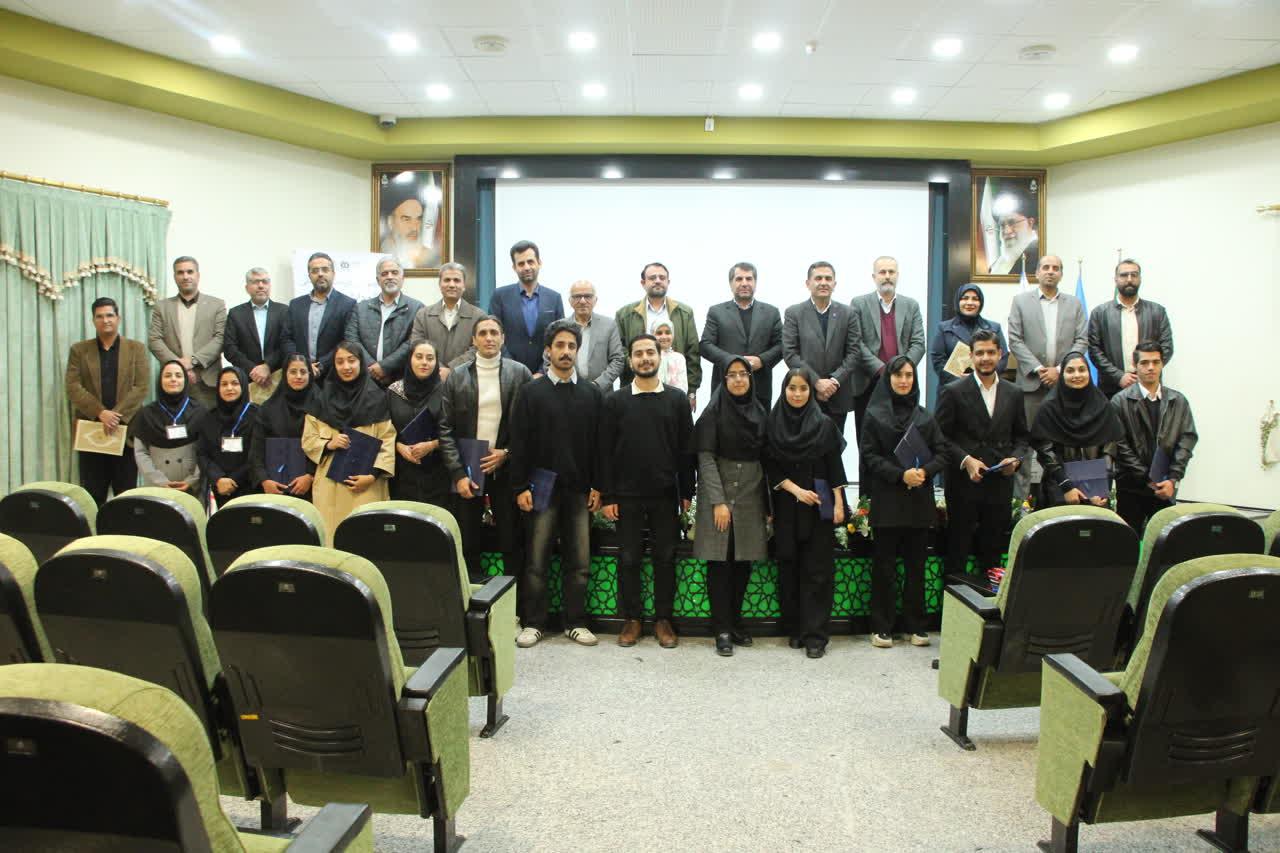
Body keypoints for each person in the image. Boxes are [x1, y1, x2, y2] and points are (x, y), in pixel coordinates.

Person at [509, 320, 603, 648]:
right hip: (540, 490)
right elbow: (519, 443)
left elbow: (599, 445)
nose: (566, 352)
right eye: (559, 346)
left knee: (580, 562)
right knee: (536, 561)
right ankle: (534, 623)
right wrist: (519, 487)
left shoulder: (591, 394)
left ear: (577, 351)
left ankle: (575, 622)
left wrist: (598, 486)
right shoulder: (530, 393)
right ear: (548, 351)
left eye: (571, 346)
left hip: (579, 490)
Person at [599, 333, 695, 649]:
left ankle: (663, 620)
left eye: (650, 352)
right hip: (626, 496)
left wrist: (687, 492)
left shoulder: (677, 400)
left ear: (659, 357)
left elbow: (686, 450)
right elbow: (605, 452)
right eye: (638, 354)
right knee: (629, 558)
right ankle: (633, 619)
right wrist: (608, 496)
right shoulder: (615, 401)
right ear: (630, 361)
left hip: (665, 494)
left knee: (665, 557)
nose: (645, 358)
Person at [859, 357, 949, 648]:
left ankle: (916, 626)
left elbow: (942, 453)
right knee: (884, 568)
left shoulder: (925, 417)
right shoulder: (874, 415)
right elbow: (869, 456)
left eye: (909, 375)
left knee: (916, 568)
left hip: (918, 503)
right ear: (889, 379)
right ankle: (881, 626)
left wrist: (924, 472)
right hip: (887, 501)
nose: (904, 380)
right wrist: (901, 475)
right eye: (898, 375)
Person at [438, 315, 532, 584]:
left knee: (511, 540)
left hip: (507, 468)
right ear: (474, 340)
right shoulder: (457, 375)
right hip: (469, 468)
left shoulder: (520, 373)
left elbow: (530, 427)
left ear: (503, 338)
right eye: (483, 333)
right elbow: (445, 429)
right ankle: (475, 599)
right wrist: (458, 473)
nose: (489, 338)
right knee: (468, 540)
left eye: (494, 333)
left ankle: (513, 602)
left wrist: (508, 453)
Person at [764, 367, 847, 658]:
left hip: (820, 501)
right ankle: (796, 628)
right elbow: (770, 467)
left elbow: (835, 466)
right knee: (789, 566)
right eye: (792, 388)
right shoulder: (772, 424)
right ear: (784, 390)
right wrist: (796, 491)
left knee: (818, 570)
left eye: (803, 388)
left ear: (811, 392)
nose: (797, 394)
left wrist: (839, 503)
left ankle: (816, 636)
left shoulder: (824, 424)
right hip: (787, 503)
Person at [934, 329, 1029, 580]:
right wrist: (966, 460)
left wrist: (1015, 460)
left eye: (990, 352)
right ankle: (954, 603)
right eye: (979, 353)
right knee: (957, 552)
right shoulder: (953, 391)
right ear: (971, 356)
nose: (985, 358)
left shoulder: (1014, 393)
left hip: (999, 485)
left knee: (993, 555)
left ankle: (990, 604)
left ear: (1000, 354)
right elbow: (940, 437)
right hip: (963, 485)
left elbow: (1022, 438)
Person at [693, 356, 769, 657]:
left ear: (751, 379)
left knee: (743, 561)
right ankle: (721, 629)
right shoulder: (712, 413)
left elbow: (767, 458)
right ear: (723, 380)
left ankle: (735, 622)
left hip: (751, 492)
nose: (738, 379)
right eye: (732, 375)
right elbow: (705, 458)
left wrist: (768, 505)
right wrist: (718, 502)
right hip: (720, 490)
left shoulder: (760, 412)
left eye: (743, 374)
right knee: (720, 562)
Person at [1006, 254, 1088, 502]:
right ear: (1037, 273)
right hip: (1030, 387)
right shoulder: (1021, 301)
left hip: (1064, 387)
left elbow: (1082, 340)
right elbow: (1015, 339)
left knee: (1062, 448)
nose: (1050, 271)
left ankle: (1059, 503)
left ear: (1061, 274)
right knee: (1024, 448)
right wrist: (1039, 369)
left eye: (1055, 268)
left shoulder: (1074, 304)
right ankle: (1020, 506)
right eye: (1046, 267)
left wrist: (1060, 370)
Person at [301, 341, 396, 543]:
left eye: (351, 360)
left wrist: (372, 475)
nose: (346, 367)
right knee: (331, 538)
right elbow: (308, 439)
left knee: (365, 540)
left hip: (366, 484)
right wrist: (328, 444)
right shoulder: (321, 398)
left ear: (361, 362)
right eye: (340, 362)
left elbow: (387, 440)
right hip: (330, 486)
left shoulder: (377, 398)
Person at [65, 296, 149, 505]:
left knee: (125, 495)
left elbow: (141, 386)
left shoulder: (136, 349)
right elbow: (73, 387)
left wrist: (115, 416)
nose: (105, 320)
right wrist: (100, 412)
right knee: (93, 494)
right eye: (99, 316)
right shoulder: (79, 350)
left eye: (110, 315)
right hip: (92, 432)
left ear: (118, 318)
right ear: (93, 320)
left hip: (125, 431)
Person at [850, 256, 926, 485]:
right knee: (868, 444)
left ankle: (903, 494)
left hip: (903, 386)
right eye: (882, 272)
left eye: (891, 272)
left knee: (904, 443)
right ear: (874, 277)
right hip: (869, 383)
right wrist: (883, 370)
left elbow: (918, 343)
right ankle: (866, 499)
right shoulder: (859, 303)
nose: (887, 277)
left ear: (898, 275)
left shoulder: (911, 305)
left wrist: (900, 372)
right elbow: (856, 343)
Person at [1110, 341, 1198, 533]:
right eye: (1144, 362)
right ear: (1135, 366)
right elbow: (1120, 445)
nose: (1151, 367)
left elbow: (1187, 441)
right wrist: (1147, 478)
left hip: (1165, 487)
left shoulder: (1178, 401)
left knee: (1163, 540)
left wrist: (1173, 478)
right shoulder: (1119, 401)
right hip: (1131, 487)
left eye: (1156, 362)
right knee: (1129, 540)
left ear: (1162, 364)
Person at [1031, 352, 1125, 508]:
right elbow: (1045, 451)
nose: (1077, 375)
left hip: (1095, 489)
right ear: (1062, 375)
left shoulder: (1103, 406)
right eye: (1070, 370)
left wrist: (1100, 487)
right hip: (1059, 488)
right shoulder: (1049, 408)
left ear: (1089, 372)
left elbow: (1109, 449)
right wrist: (1067, 486)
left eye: (1082, 369)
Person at [781, 261, 861, 432]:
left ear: (835, 284)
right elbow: (790, 353)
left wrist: (834, 381)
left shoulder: (848, 313)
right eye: (818, 278)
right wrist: (816, 382)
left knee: (834, 445)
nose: (823, 282)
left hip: (838, 394)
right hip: (805, 392)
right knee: (804, 443)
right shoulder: (794, 313)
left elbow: (854, 352)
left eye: (828, 278)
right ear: (808, 283)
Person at [614, 262, 701, 408]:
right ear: (643, 283)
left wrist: (692, 391)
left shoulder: (684, 313)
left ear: (668, 282)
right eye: (652, 278)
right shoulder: (625, 314)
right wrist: (639, 365)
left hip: (674, 394)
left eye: (662, 277)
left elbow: (693, 353)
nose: (658, 281)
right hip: (635, 391)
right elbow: (619, 351)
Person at [700, 262, 783, 408]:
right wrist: (733, 362)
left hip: (760, 390)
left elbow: (782, 345)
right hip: (724, 389)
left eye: (749, 279)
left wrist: (762, 360)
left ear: (755, 282)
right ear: (731, 283)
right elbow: (705, 345)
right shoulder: (716, 312)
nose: (744, 283)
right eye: (739, 279)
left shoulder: (771, 312)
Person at [1087, 259, 1174, 398]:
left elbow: (1166, 347)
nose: (1129, 279)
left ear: (1140, 279)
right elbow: (1094, 350)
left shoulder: (1157, 312)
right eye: (1124, 275)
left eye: (1134, 275)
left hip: (1149, 386)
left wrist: (1145, 372)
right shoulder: (1099, 313)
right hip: (1111, 388)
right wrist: (1119, 376)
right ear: (1115, 279)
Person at [147, 256, 226, 408]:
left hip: (207, 382)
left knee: (208, 422)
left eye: (190, 272)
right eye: (180, 272)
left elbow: (220, 338)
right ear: (174, 277)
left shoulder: (217, 305)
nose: (185, 276)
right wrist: (178, 366)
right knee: (172, 422)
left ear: (198, 275)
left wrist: (193, 361)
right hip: (173, 382)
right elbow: (154, 340)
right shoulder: (161, 307)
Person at [129, 360, 206, 496]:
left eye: (178, 375)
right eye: (168, 375)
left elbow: (207, 451)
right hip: (157, 486)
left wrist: (192, 480)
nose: (173, 379)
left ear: (185, 380)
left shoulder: (200, 411)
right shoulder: (146, 414)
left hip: (192, 487)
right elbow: (141, 453)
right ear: (160, 381)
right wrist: (160, 481)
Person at [343, 257, 423, 388]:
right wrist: (372, 367)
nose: (389, 277)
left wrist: (385, 366)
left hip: (401, 381)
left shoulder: (417, 308)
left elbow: (413, 342)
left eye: (394, 273)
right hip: (365, 380)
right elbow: (351, 339)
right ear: (378, 280)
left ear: (403, 278)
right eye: (384, 274)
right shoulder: (360, 308)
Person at [387, 341, 451, 506]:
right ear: (410, 359)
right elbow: (383, 430)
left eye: (430, 358)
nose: (424, 362)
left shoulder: (447, 391)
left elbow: (459, 429)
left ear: (436, 362)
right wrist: (398, 446)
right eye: (419, 357)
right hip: (402, 471)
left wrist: (431, 445)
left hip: (439, 471)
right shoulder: (394, 391)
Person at [487, 240, 564, 376]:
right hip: (508, 373)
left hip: (545, 376)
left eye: (530, 262)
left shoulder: (554, 298)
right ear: (514, 267)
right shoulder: (499, 296)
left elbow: (559, 337)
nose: (527, 267)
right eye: (521, 264)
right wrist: (515, 370)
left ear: (539, 263)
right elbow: (494, 335)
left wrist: (542, 371)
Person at [248, 353, 316, 499]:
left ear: (310, 375)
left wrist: (310, 476)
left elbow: (327, 447)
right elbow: (256, 449)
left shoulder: (322, 406)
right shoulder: (268, 409)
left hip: (313, 488)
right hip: (274, 488)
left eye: (303, 372)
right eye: (293, 372)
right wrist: (264, 480)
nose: (298, 376)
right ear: (284, 375)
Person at [538, 280, 625, 393]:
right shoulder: (557, 327)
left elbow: (618, 360)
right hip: (565, 393)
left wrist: (597, 386)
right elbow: (548, 360)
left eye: (588, 296)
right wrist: (565, 384)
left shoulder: (609, 325)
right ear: (570, 301)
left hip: (601, 394)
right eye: (577, 297)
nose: (582, 301)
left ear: (595, 300)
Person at [222, 267, 294, 401]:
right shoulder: (235, 314)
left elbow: (287, 343)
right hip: (247, 381)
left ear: (270, 286)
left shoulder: (284, 311)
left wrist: (268, 366)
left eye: (265, 282)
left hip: (278, 378)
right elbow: (229, 348)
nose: (261, 286)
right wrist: (253, 370)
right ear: (247, 288)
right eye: (255, 282)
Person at [286, 252, 357, 382]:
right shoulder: (295, 305)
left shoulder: (348, 304)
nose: (320, 274)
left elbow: (346, 341)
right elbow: (287, 339)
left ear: (333, 273)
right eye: (315, 271)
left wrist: (321, 365)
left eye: (325, 269)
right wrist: (302, 364)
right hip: (301, 376)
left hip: (333, 376)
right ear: (309, 276)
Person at [197, 366, 259, 508]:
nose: (229, 388)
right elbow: (202, 453)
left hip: (250, 486)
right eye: (224, 384)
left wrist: (233, 479)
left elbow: (257, 454)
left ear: (243, 386)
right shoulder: (209, 417)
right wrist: (218, 478)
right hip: (220, 488)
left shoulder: (257, 415)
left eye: (235, 383)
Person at [409, 261, 482, 380]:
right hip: (430, 380)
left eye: (457, 280)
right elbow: (416, 345)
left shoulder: (478, 316)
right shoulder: (423, 315)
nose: (452, 284)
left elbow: (478, 348)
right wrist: (438, 369)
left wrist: (451, 369)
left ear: (464, 285)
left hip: (465, 380)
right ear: (440, 284)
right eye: (447, 280)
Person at [929, 283, 1008, 387]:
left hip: (985, 386)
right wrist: (960, 380)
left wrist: (981, 378)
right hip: (952, 388)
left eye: (975, 299)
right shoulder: (944, 328)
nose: (970, 303)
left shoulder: (994, 328)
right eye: (965, 298)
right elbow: (937, 360)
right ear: (958, 301)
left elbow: (1003, 357)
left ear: (981, 303)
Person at [379, 174, 443, 270]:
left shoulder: (432, 256)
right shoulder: (381, 252)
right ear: (390, 222)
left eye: (418, 219)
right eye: (406, 219)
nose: (414, 227)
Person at [981, 180, 1040, 276]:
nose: (1006, 231)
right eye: (1002, 225)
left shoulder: (1039, 257)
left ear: (1030, 223)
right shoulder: (996, 265)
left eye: (1012, 223)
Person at [651, 319, 688, 392]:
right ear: (652, 336)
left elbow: (683, 387)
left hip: (676, 397)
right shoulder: (649, 358)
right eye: (659, 333)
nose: (664, 337)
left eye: (668, 333)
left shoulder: (679, 358)